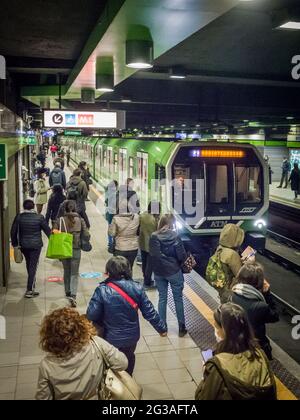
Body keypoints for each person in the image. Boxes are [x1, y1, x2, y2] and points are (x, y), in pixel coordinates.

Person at [87, 256, 167, 375]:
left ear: (108, 271)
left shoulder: (102, 290)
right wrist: (161, 328)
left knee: (110, 362)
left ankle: (112, 385)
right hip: (131, 337)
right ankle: (128, 382)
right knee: (129, 358)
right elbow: (149, 312)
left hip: (109, 337)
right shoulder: (137, 288)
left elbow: (91, 314)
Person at [36, 308, 128, 400]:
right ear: (80, 327)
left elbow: (43, 397)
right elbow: (122, 363)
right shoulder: (95, 344)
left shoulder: (47, 365)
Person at [195, 303, 277, 400]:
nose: (215, 331)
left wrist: (205, 376)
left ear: (225, 331)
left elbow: (203, 397)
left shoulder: (216, 366)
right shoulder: (260, 356)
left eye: (216, 327)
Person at [231, 262, 279, 360]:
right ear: (259, 282)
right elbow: (275, 316)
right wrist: (267, 294)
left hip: (236, 342)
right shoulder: (261, 306)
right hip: (254, 346)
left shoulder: (234, 294)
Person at [149, 214, 187, 337]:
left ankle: (163, 328)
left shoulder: (154, 236)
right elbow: (181, 256)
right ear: (171, 224)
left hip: (159, 272)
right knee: (178, 299)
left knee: (162, 298)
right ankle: (181, 328)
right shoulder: (175, 236)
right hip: (174, 271)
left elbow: (154, 255)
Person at [11, 199, 51, 298]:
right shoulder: (39, 217)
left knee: (29, 264)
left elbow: (13, 232)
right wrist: (53, 240)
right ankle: (29, 289)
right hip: (36, 246)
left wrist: (15, 244)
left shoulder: (19, 217)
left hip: (23, 246)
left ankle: (31, 285)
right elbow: (48, 231)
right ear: (33, 206)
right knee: (33, 266)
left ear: (24, 207)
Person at [53, 200, 90, 307]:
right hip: (76, 248)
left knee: (66, 271)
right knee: (74, 273)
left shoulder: (60, 220)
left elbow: (54, 232)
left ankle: (67, 292)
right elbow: (87, 235)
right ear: (75, 208)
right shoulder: (80, 220)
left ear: (64, 208)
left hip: (64, 249)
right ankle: (73, 295)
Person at [206, 223, 245, 304]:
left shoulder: (220, 248)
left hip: (222, 288)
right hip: (230, 291)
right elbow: (240, 274)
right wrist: (248, 263)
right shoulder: (232, 254)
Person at [108, 200, 140, 270]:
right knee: (129, 268)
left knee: (119, 269)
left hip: (120, 247)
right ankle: (129, 279)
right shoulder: (136, 217)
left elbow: (111, 233)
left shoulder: (116, 219)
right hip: (133, 247)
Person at [139, 201, 161, 288]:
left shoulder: (142, 216)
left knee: (144, 262)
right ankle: (147, 280)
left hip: (143, 242)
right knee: (150, 264)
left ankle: (145, 277)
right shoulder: (156, 219)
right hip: (152, 245)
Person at [105, 180, 119, 253]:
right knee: (114, 228)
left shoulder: (107, 191)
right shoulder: (115, 194)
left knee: (110, 227)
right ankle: (112, 243)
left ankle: (110, 243)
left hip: (108, 213)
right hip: (113, 213)